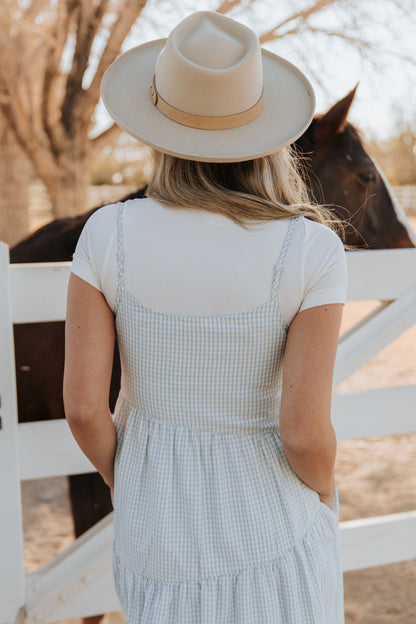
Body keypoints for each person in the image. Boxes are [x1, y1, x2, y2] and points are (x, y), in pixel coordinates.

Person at [64, 10, 347, 624]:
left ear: (157, 127)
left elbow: (85, 409)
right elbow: (303, 433)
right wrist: (324, 494)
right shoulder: (311, 249)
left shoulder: (108, 234)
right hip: (274, 529)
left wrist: (136, 480)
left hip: (154, 537)